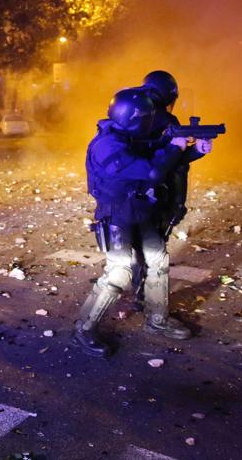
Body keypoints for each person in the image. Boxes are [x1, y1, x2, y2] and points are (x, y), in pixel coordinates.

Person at [72, 86, 212, 358]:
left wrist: (195, 151)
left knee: (157, 260)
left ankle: (157, 320)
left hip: (143, 208)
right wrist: (174, 148)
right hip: (117, 214)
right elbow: (151, 171)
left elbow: (159, 156)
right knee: (119, 272)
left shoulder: (129, 136)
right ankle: (85, 328)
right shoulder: (106, 146)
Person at [131, 70, 209, 310]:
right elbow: (151, 163)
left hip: (162, 193)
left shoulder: (164, 122)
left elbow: (176, 162)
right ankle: (143, 296)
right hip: (148, 193)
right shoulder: (138, 122)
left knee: (151, 246)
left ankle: (145, 294)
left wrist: (198, 150)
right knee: (146, 249)